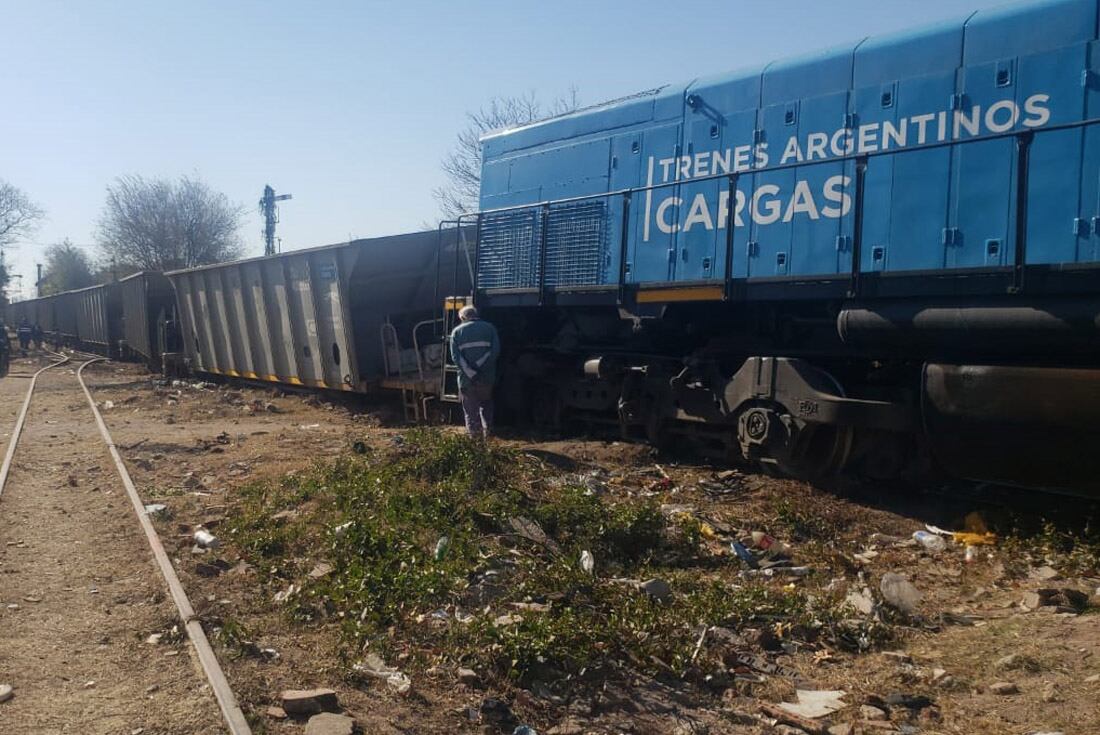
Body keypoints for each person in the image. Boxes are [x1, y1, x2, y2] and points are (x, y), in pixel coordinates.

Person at [449, 305, 500, 439]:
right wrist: (480, 367)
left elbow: (456, 358)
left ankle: (475, 444)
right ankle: (489, 437)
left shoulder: (456, 332)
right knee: (486, 406)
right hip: (487, 378)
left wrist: (471, 373)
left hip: (467, 380)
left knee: (471, 413)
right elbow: (495, 352)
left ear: (463, 317)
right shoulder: (490, 328)